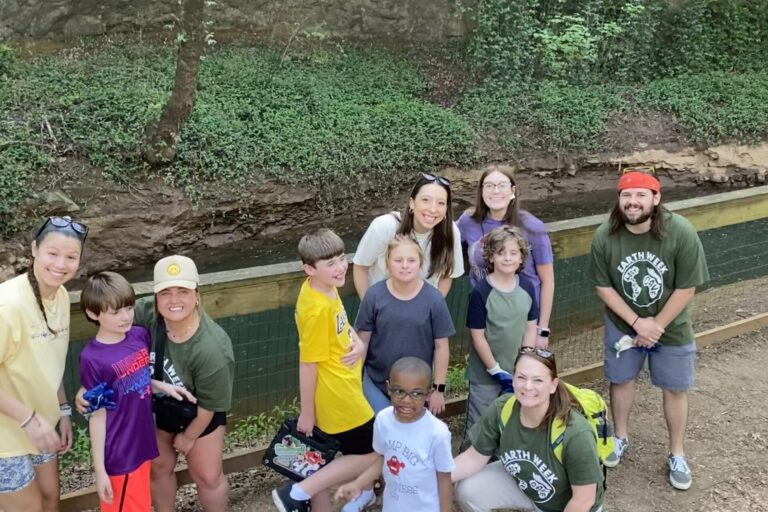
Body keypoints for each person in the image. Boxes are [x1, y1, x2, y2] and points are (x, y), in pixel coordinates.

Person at [589, 169, 708, 490]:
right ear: (619, 199)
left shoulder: (680, 231)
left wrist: (656, 325)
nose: (633, 201)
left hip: (671, 326)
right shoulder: (605, 235)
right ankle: (620, 437)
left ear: (656, 198)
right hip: (623, 323)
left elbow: (687, 286)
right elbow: (603, 287)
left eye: (641, 195)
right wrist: (637, 323)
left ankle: (677, 453)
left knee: (675, 388)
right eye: (626, 195)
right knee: (620, 380)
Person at [272, 229, 378, 512]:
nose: (341, 267)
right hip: (339, 396)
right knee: (376, 453)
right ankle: (297, 492)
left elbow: (341, 321)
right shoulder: (316, 309)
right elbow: (308, 363)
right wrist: (307, 412)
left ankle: (324, 497)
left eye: (342, 258)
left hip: (343, 386)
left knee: (325, 457)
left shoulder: (322, 286)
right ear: (309, 268)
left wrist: (358, 343)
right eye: (330, 263)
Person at [79, 271, 196, 511]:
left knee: (141, 504)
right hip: (120, 452)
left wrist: (160, 385)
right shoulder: (92, 359)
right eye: (115, 312)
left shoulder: (138, 335)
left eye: (129, 308)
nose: (125, 317)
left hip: (142, 441)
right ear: (93, 313)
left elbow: (132, 380)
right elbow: (97, 415)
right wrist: (100, 470)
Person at [0, 216, 87, 511]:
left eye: (71, 257)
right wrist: (29, 419)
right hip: (7, 434)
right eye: (53, 253)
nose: (61, 264)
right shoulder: (8, 306)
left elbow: (49, 360)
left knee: (51, 500)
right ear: (35, 249)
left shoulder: (60, 295)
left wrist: (63, 410)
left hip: (41, 424)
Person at [453, 348, 604, 512]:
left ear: (553, 385)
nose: (528, 386)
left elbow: (584, 499)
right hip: (529, 485)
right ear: (513, 380)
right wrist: (438, 475)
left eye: (538, 380)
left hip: (570, 505)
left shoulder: (575, 433)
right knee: (468, 489)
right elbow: (473, 457)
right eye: (521, 377)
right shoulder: (503, 408)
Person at [335, 357, 454, 512]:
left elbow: (444, 481)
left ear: (428, 394)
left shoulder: (437, 433)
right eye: (399, 391)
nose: (406, 400)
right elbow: (382, 458)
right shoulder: (383, 420)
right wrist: (358, 484)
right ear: (388, 388)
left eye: (416, 393)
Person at [355, 236, 454, 415]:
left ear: (420, 263)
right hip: (376, 381)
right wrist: (355, 380)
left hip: (416, 388)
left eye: (411, 260)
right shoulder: (374, 295)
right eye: (398, 260)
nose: (405, 265)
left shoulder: (434, 300)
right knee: (379, 428)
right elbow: (363, 341)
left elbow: (442, 347)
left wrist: (438, 389)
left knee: (409, 429)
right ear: (388, 263)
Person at [457, 165, 554, 347]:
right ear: (481, 191)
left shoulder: (532, 227)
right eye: (489, 186)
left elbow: (547, 280)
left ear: (512, 191)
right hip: (485, 316)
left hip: (524, 318)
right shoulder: (467, 221)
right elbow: (441, 236)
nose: (495, 191)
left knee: (522, 363)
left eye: (502, 185)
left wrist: (542, 329)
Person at [464, 226, 538, 438]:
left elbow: (530, 327)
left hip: (517, 372)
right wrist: (495, 370)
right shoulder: (481, 292)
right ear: (491, 257)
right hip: (485, 375)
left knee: (511, 421)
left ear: (521, 258)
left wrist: (525, 360)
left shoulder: (527, 286)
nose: (507, 258)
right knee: (479, 425)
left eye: (513, 253)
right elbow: (477, 336)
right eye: (501, 252)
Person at [353, 173, 464, 299]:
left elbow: (446, 275)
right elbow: (361, 267)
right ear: (412, 203)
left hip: (423, 307)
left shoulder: (450, 232)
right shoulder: (385, 226)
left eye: (441, 203)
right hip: (381, 305)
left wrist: (434, 306)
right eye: (425, 200)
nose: (433, 209)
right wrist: (368, 307)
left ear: (446, 210)